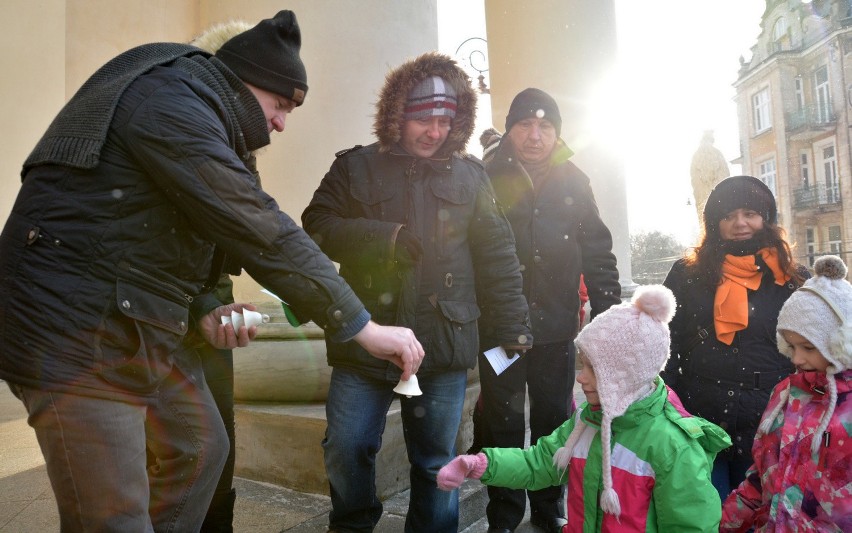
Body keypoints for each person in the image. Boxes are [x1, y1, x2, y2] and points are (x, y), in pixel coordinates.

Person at [0, 11, 424, 532]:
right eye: (279, 104)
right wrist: (361, 325)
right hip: (70, 329)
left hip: (134, 317)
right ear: (244, 83)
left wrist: (204, 308)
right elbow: (255, 223)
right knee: (112, 518)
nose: (282, 123)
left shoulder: (203, 113)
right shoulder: (171, 99)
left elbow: (171, 237)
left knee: (201, 445)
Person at [301, 52, 532, 533]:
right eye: (423, 118)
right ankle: (352, 524)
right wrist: (380, 237)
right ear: (397, 115)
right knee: (346, 447)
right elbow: (315, 227)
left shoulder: (471, 175)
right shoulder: (355, 167)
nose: (435, 131)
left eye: (445, 120)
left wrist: (511, 326)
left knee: (435, 464)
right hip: (366, 336)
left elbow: (498, 253)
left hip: (443, 341)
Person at [437, 285, 731, 532]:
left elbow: (691, 525)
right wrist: (482, 464)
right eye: (582, 364)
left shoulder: (672, 445)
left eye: (593, 369)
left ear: (625, 376)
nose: (580, 377)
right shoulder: (587, 420)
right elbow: (539, 464)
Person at [473, 88, 622, 533]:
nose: (535, 136)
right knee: (500, 419)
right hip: (499, 328)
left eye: (545, 126)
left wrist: (609, 313)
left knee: (553, 418)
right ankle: (502, 512)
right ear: (509, 129)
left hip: (556, 328)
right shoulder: (484, 176)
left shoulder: (575, 179)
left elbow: (597, 250)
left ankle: (546, 507)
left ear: (557, 133)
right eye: (525, 125)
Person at [661, 175, 808, 500]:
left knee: (757, 511)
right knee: (707, 511)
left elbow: (818, 350)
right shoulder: (688, 274)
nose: (739, 223)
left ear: (765, 219)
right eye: (728, 216)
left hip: (770, 421)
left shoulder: (794, 279)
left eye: (749, 213)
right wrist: (672, 405)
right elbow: (662, 341)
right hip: (699, 418)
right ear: (715, 224)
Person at [721, 254, 852, 532]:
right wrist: (723, 522)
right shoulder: (784, 394)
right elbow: (760, 474)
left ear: (841, 342)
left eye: (808, 347)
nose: (797, 359)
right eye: (791, 347)